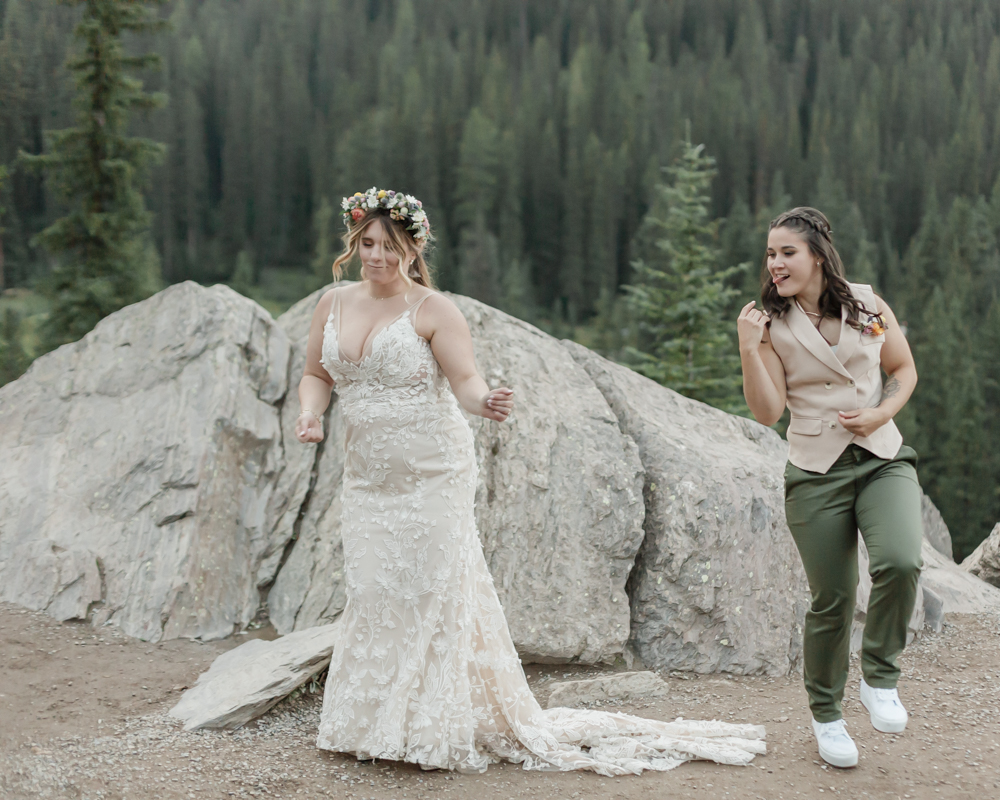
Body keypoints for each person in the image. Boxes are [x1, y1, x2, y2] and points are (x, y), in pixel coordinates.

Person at [294, 187, 766, 775]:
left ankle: (427, 726)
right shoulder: (332, 304)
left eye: (389, 247)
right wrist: (311, 413)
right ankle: (371, 720)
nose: (376, 257)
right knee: (374, 589)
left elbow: (465, 381)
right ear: (353, 243)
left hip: (433, 473)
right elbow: (317, 373)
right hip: (367, 477)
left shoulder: (434, 311)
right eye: (367, 244)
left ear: (413, 249)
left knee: (429, 590)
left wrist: (484, 400)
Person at [737, 207, 923, 769]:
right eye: (770, 254)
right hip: (816, 471)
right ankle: (828, 716)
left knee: (901, 561)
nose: (775, 264)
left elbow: (904, 369)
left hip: (881, 456)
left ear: (816, 254)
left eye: (786, 252)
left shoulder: (868, 304)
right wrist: (748, 346)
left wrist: (881, 412)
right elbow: (767, 410)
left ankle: (879, 677)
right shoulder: (768, 323)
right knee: (834, 599)